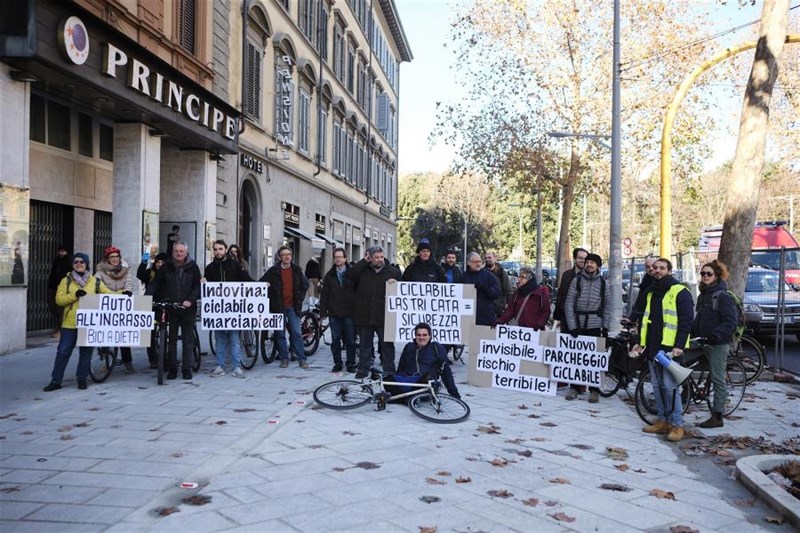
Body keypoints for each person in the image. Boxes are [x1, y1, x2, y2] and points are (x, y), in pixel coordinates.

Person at [632, 257, 694, 442]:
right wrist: (640, 342)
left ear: (669, 271)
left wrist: (679, 346)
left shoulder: (679, 291)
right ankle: (663, 421)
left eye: (661, 268)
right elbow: (645, 321)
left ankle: (677, 425)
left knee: (670, 388)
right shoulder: (651, 292)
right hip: (652, 347)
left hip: (669, 349)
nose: (657, 270)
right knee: (658, 387)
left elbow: (686, 321)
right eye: (655, 268)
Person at [43, 252, 113, 391]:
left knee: (86, 352)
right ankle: (56, 381)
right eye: (76, 262)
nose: (79, 264)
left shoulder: (95, 281)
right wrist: (74, 296)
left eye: (82, 262)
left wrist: (124, 293)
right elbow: (59, 300)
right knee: (63, 352)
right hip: (70, 323)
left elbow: (109, 295)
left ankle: (82, 379)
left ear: (86, 264)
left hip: (88, 323)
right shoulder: (66, 280)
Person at [145, 242, 202, 380]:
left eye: (181, 251)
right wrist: (147, 296)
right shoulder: (165, 267)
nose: (178, 253)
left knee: (188, 340)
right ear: (173, 252)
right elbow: (156, 283)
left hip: (188, 308)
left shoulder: (193, 267)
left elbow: (197, 286)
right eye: (176, 251)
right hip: (171, 307)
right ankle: (172, 368)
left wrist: (191, 299)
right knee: (171, 340)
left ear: (186, 252)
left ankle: (186, 368)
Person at [691, 259, 737, 429]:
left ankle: (717, 416)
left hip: (718, 343)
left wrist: (716, 335)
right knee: (682, 361)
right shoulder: (703, 295)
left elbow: (730, 321)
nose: (705, 276)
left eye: (709, 273)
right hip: (702, 341)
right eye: (702, 273)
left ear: (717, 276)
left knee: (718, 378)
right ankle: (685, 395)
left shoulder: (722, 296)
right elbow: (699, 319)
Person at [347, 245, 401, 378]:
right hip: (365, 315)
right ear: (369, 258)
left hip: (384, 316)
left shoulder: (393, 272)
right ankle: (363, 369)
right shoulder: (362, 271)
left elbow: (402, 292)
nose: (380, 260)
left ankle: (389, 370)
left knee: (387, 345)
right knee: (365, 345)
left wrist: (397, 284)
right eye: (376, 257)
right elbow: (350, 275)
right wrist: (363, 262)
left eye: (381, 257)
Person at [564, 253, 611, 403]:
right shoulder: (576, 281)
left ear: (598, 265)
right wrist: (572, 326)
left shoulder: (604, 284)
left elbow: (607, 306)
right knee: (576, 358)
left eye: (593, 262)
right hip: (578, 324)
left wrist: (605, 327)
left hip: (594, 325)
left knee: (593, 359)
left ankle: (594, 389)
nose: (589, 264)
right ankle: (574, 387)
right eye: (588, 262)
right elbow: (569, 304)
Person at [204, 240, 253, 379]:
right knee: (219, 338)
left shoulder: (234, 265)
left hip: (233, 308)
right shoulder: (209, 268)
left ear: (225, 250)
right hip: (217, 309)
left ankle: (236, 367)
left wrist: (260, 286)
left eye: (220, 249)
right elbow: (205, 285)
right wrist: (203, 282)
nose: (218, 251)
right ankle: (220, 366)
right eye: (215, 249)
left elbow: (246, 280)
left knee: (234, 338)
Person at [260, 246, 309, 369]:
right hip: (278, 307)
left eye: (288, 254)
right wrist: (266, 287)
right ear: (279, 257)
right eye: (284, 254)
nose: (286, 256)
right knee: (280, 334)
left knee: (296, 333)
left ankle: (302, 359)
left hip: (293, 306)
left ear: (291, 256)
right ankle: (284, 358)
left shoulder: (296, 270)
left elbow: (305, 284)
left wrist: (300, 299)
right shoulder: (273, 271)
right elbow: (261, 283)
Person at [387, 323, 460, 399]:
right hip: (409, 380)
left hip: (426, 382)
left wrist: (454, 394)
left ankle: (407, 397)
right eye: (419, 335)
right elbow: (401, 367)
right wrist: (396, 380)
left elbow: (446, 371)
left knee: (427, 377)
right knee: (388, 379)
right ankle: (409, 397)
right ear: (415, 336)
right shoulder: (409, 347)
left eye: (424, 335)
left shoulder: (436, 348)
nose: (421, 338)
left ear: (430, 336)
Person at [95, 246, 136, 373]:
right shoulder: (100, 270)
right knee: (106, 332)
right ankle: (105, 357)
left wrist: (128, 290)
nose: (115, 259)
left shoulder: (125, 269)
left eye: (116, 256)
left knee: (123, 335)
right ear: (107, 259)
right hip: (107, 303)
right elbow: (96, 282)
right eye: (112, 257)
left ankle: (127, 362)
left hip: (121, 302)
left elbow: (129, 282)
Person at [319, 247, 357, 373]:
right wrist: (323, 313)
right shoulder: (329, 275)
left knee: (350, 339)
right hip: (334, 312)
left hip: (350, 312)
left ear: (345, 258)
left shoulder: (352, 274)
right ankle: (338, 363)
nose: (338, 259)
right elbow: (324, 295)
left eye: (340, 257)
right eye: (336, 257)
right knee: (335, 340)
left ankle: (350, 363)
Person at [137, 252, 168, 368]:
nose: (159, 264)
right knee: (150, 333)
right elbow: (140, 275)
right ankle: (152, 359)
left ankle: (164, 356)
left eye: (162, 262)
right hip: (151, 303)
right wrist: (143, 263)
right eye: (158, 262)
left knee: (164, 332)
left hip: (164, 303)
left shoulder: (168, 273)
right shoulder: (150, 273)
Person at [495, 267, 551, 331]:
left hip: (535, 331)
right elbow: (510, 310)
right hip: (520, 331)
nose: (519, 279)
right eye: (519, 276)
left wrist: (539, 324)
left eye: (522, 277)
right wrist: (500, 321)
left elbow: (546, 311)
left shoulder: (541, 292)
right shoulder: (517, 293)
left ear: (530, 279)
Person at [461, 252, 502, 326]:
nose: (478, 264)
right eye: (475, 262)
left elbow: (497, 293)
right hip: (467, 317)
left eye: (480, 261)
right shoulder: (462, 277)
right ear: (468, 263)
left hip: (486, 318)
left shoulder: (489, 276)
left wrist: (485, 289)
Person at [553, 247, 588, 333]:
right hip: (566, 318)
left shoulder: (590, 277)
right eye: (580, 258)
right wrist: (558, 312)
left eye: (585, 258)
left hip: (583, 320)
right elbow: (561, 294)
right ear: (574, 258)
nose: (583, 260)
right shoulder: (566, 275)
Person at [47, 245, 72, 336]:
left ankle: (60, 330)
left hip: (63, 289)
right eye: (60, 251)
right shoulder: (56, 261)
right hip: (53, 287)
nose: (61, 253)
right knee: (52, 307)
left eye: (63, 251)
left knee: (61, 309)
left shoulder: (69, 262)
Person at [629, 256, 657, 323]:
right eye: (647, 267)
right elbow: (639, 302)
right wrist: (631, 318)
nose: (651, 269)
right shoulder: (645, 282)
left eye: (653, 266)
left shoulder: (665, 283)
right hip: (645, 320)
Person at [484, 251, 513, 317]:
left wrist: (509, 306)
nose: (487, 260)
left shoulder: (502, 273)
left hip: (499, 310)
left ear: (495, 258)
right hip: (485, 310)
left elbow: (509, 290)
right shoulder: (482, 273)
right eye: (486, 258)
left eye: (489, 257)